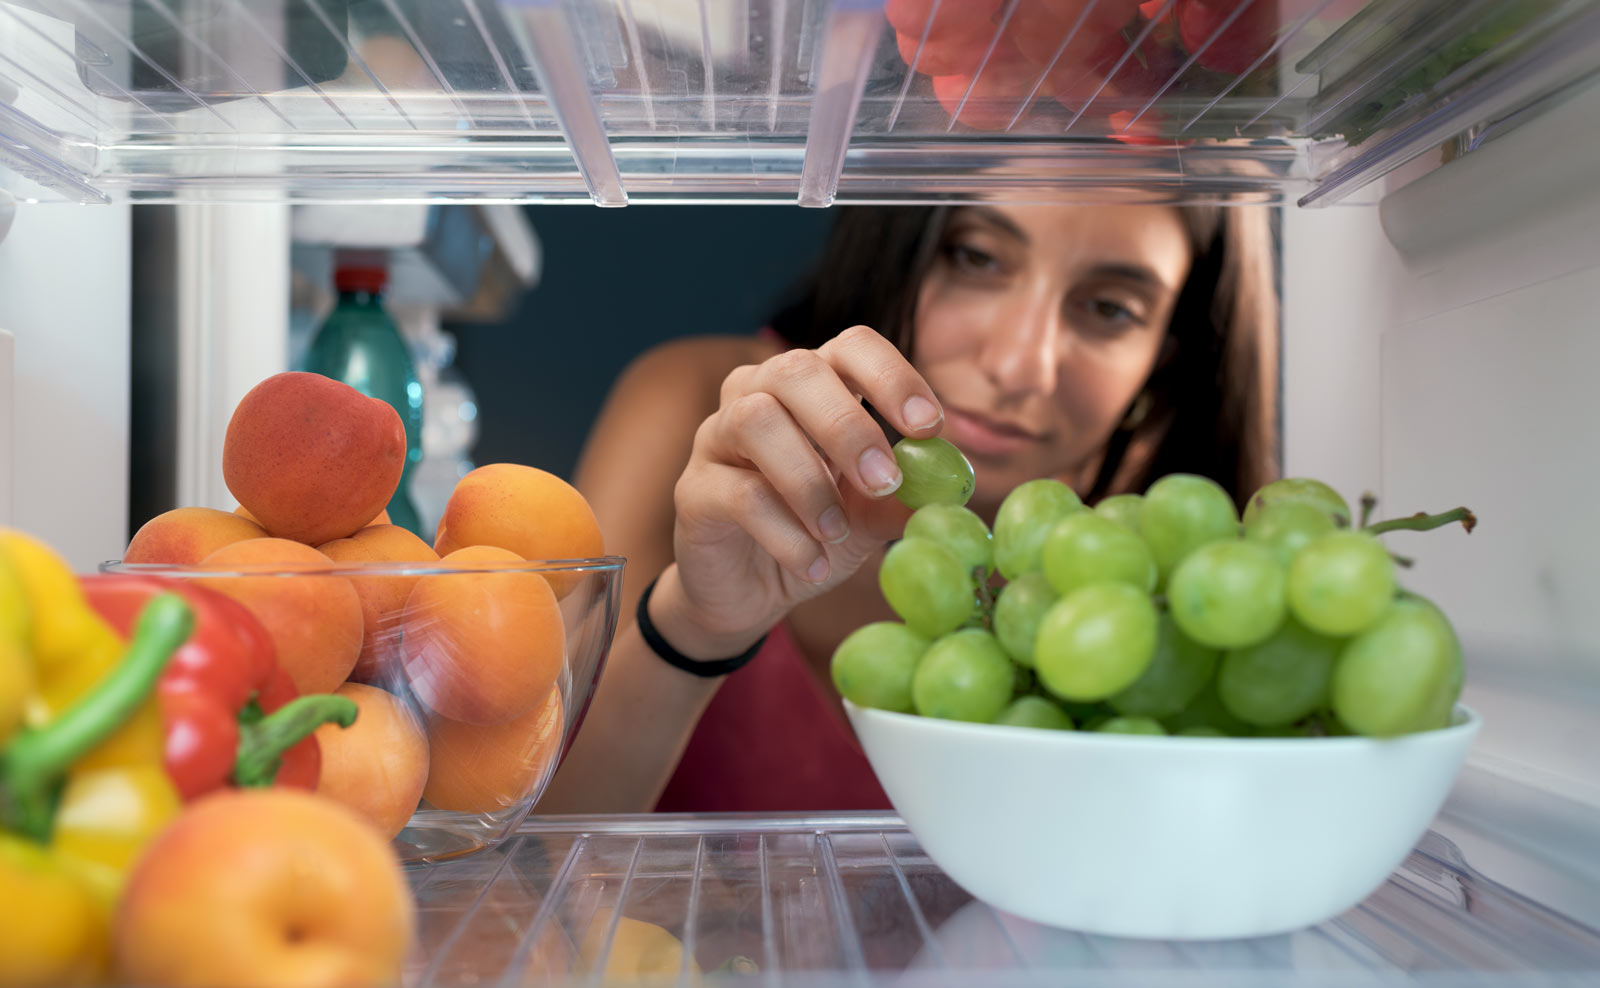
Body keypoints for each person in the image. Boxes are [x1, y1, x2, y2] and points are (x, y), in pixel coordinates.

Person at [538, 204, 1278, 814]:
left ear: (1168, 356)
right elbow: (530, 864)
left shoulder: (1168, 555)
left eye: (1110, 308)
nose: (1018, 365)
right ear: (900, 242)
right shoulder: (703, 411)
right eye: (977, 258)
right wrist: (697, 626)